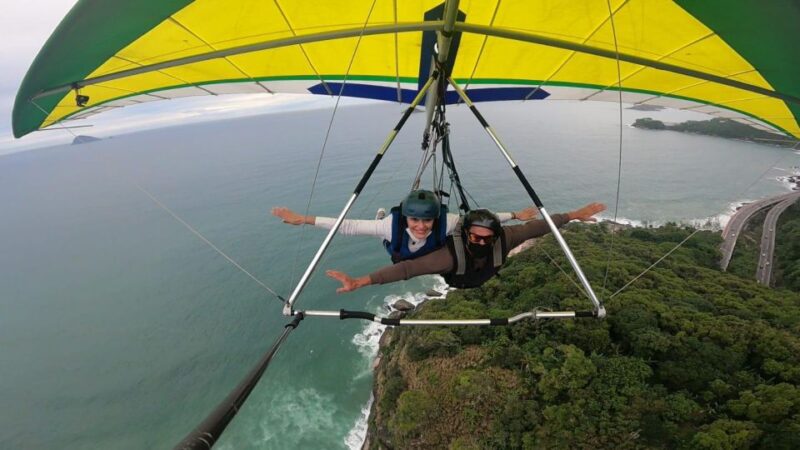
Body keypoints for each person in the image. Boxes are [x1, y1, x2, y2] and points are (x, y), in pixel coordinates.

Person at [325, 202, 606, 292]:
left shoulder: (504, 239)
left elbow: (537, 227)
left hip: (483, 274)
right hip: (459, 277)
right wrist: (360, 281)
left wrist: (571, 216)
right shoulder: (448, 256)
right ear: (466, 235)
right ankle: (391, 232)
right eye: (476, 237)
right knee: (404, 253)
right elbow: (407, 269)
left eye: (487, 237)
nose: (482, 242)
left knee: (523, 231)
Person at [272, 189, 539, 262]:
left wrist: (516, 214)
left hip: (426, 252)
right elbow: (348, 226)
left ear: (435, 217)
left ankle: (378, 220)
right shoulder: (393, 227)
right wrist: (304, 219)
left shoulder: (449, 222)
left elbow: (482, 219)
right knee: (382, 233)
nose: (421, 226)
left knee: (446, 236)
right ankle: (378, 219)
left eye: (427, 220)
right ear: (406, 218)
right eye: (414, 220)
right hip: (396, 246)